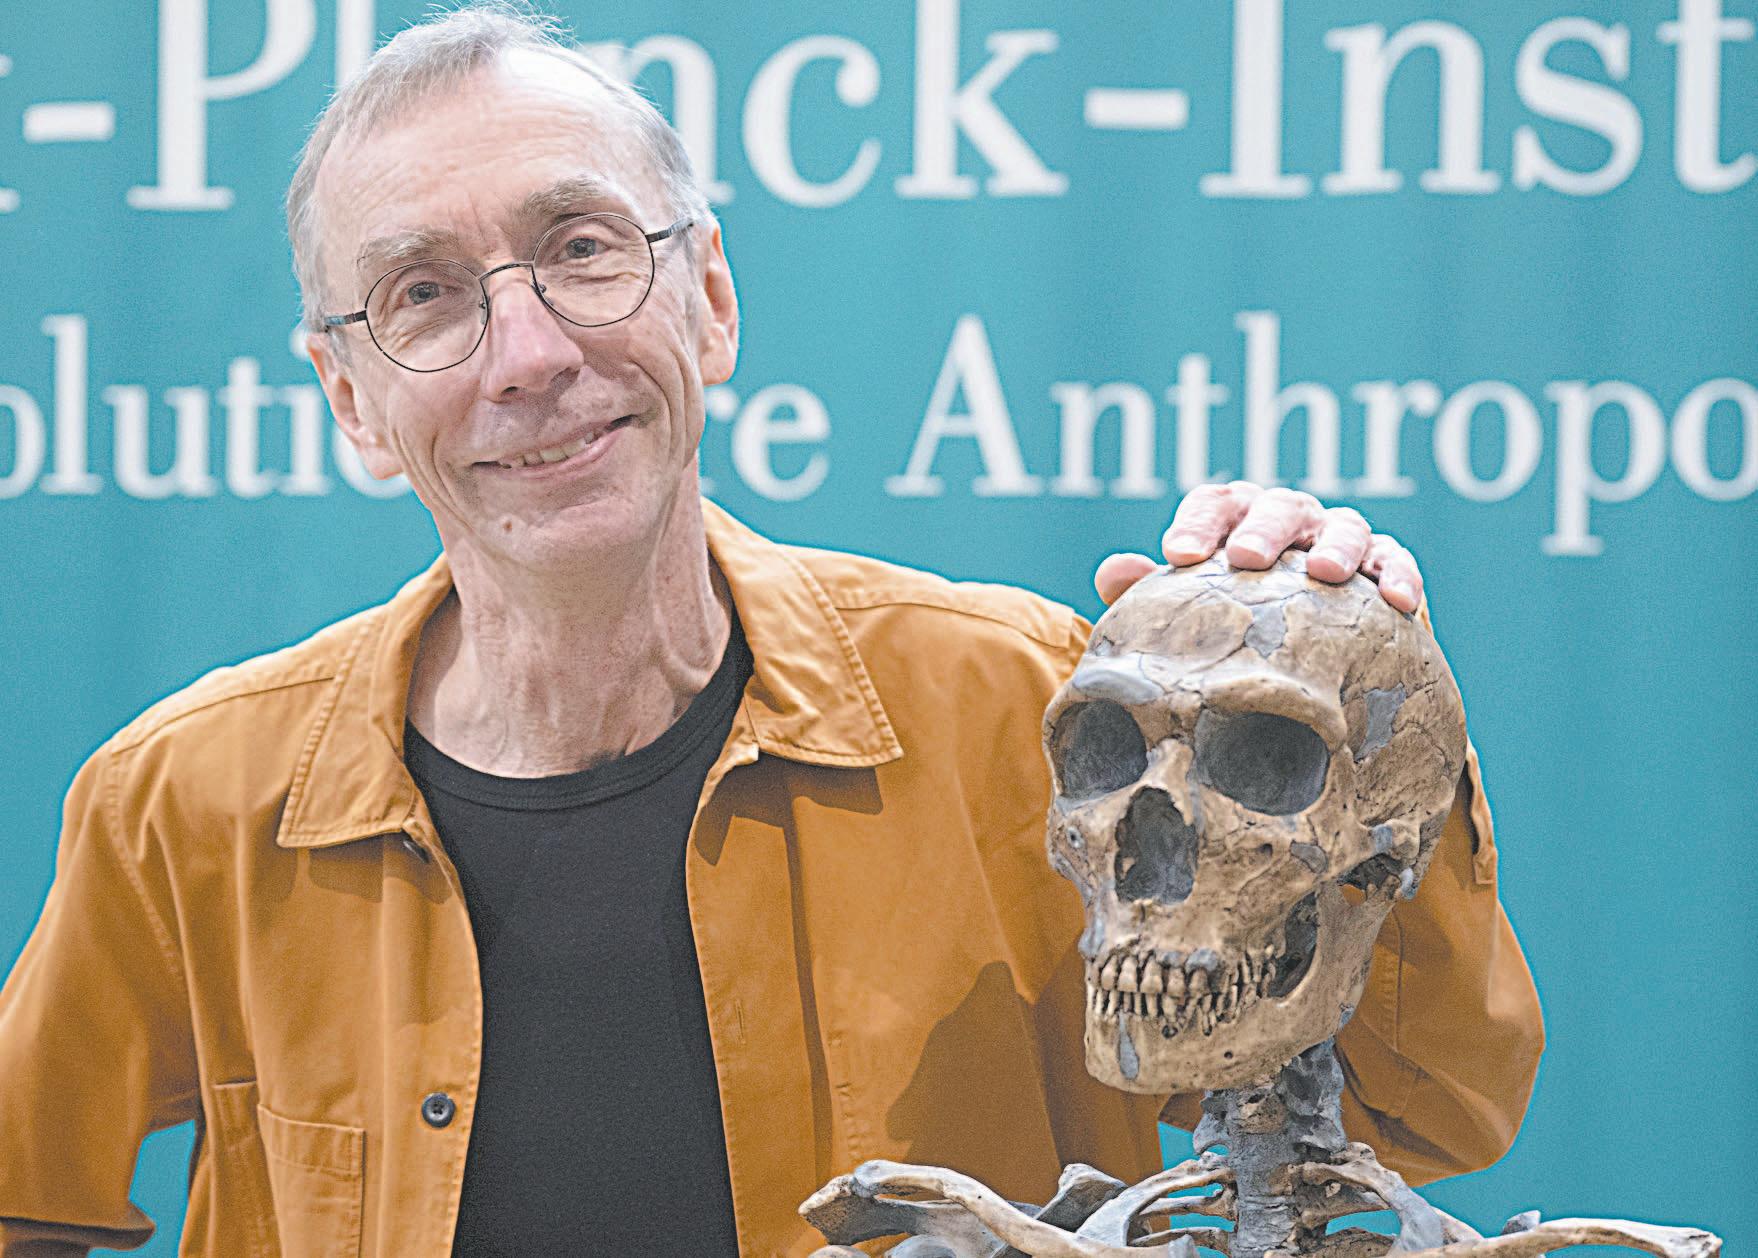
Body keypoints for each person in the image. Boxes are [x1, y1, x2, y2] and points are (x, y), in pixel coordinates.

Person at [0, 7, 1542, 1257]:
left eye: (582, 247)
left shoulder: (1030, 708)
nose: (527, 352)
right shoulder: (188, 802)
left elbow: (1434, 1109)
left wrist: (1347, 680)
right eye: (424, 294)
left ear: (712, 299)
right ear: (351, 398)